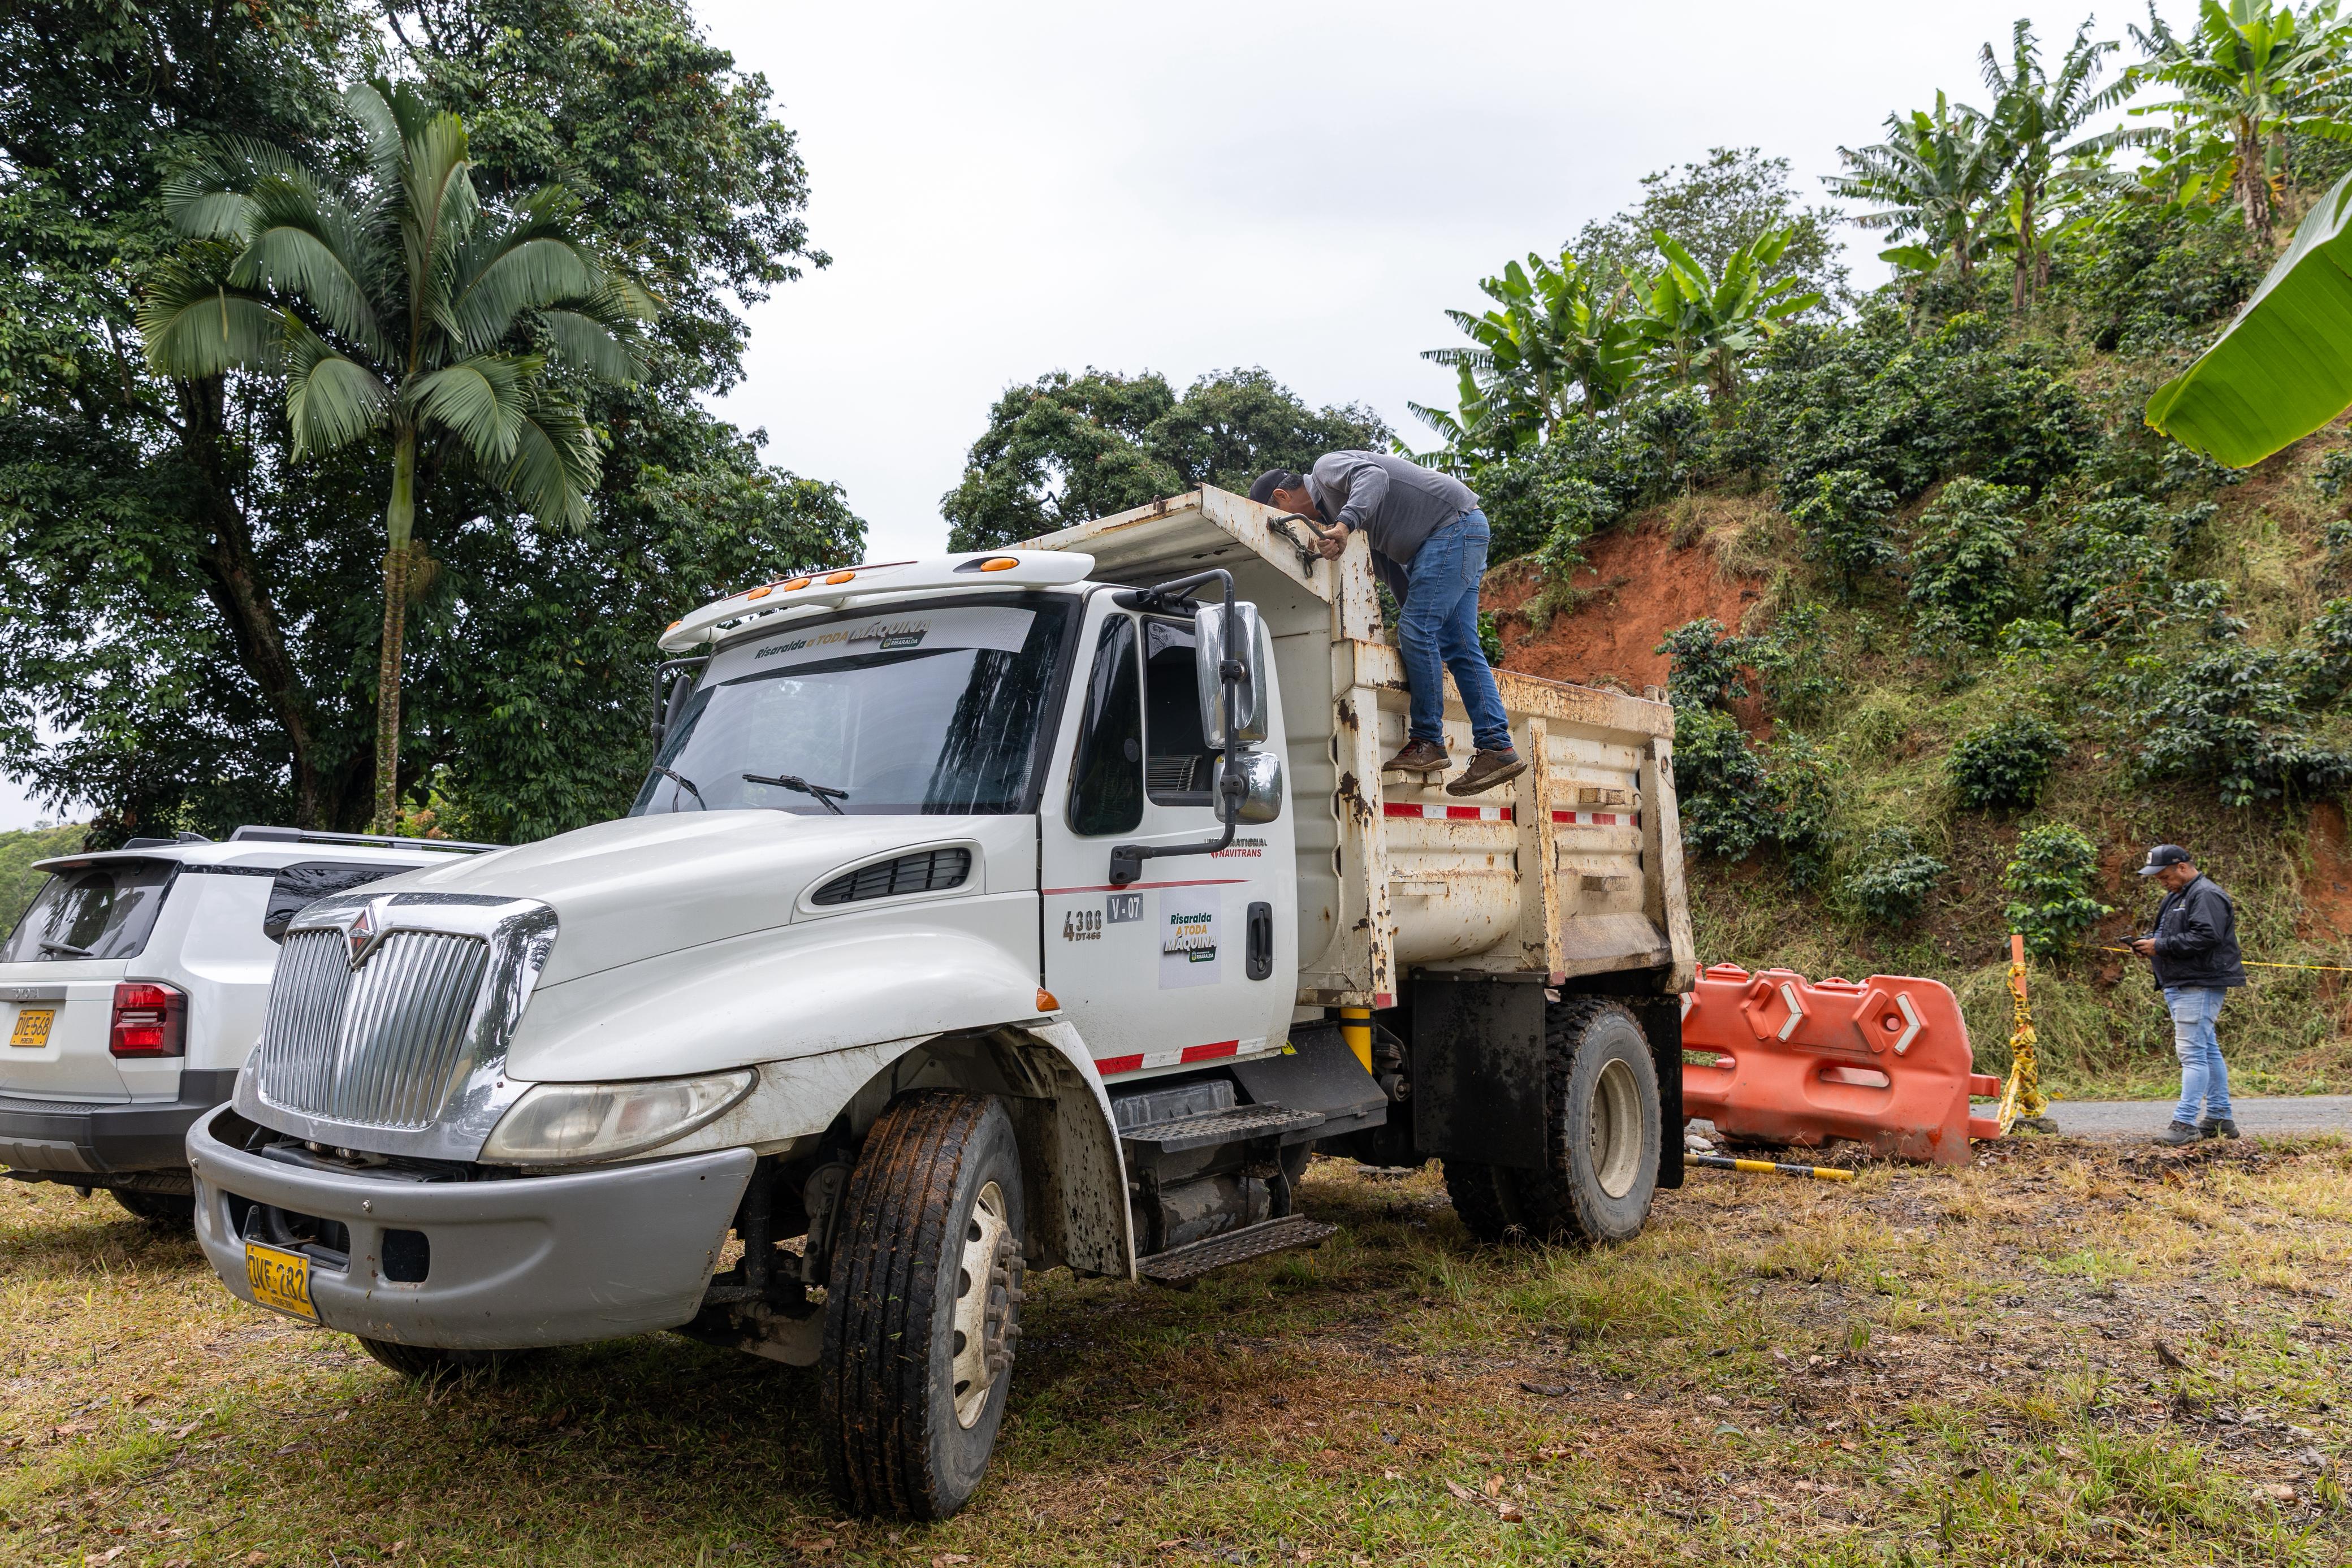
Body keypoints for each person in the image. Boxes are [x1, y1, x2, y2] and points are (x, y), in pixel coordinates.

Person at [1249, 453, 1526, 796]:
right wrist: (1414, 618)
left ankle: (1427, 741)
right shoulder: (1339, 514)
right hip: (1454, 537)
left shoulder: (1325, 470)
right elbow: (1390, 566)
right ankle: (1497, 746)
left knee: (1418, 631)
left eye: (1279, 514)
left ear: (1281, 496)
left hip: (1453, 528)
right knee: (1459, 648)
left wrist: (1345, 524)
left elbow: (1374, 476)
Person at [2128, 844, 2245, 1145]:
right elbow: (2173, 936)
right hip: (2184, 982)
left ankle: (2185, 1123)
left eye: (2165, 877)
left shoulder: (2205, 894)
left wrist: (2160, 946)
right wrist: (2150, 944)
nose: (2163, 883)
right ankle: (2219, 1118)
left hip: (2199, 983)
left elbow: (2207, 936)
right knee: (2206, 1050)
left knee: (2192, 1054)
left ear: (2182, 867)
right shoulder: (2178, 895)